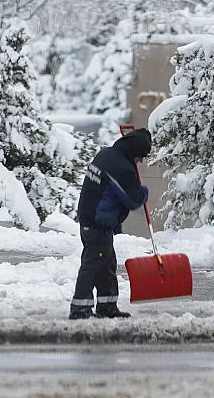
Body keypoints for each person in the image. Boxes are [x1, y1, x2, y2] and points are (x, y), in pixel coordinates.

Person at [69, 128, 152, 320]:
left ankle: (107, 305)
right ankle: (80, 307)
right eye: (140, 157)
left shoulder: (106, 154)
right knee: (92, 264)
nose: (140, 162)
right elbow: (132, 199)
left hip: (93, 219)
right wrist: (144, 191)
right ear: (134, 152)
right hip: (97, 223)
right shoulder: (121, 168)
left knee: (106, 263)